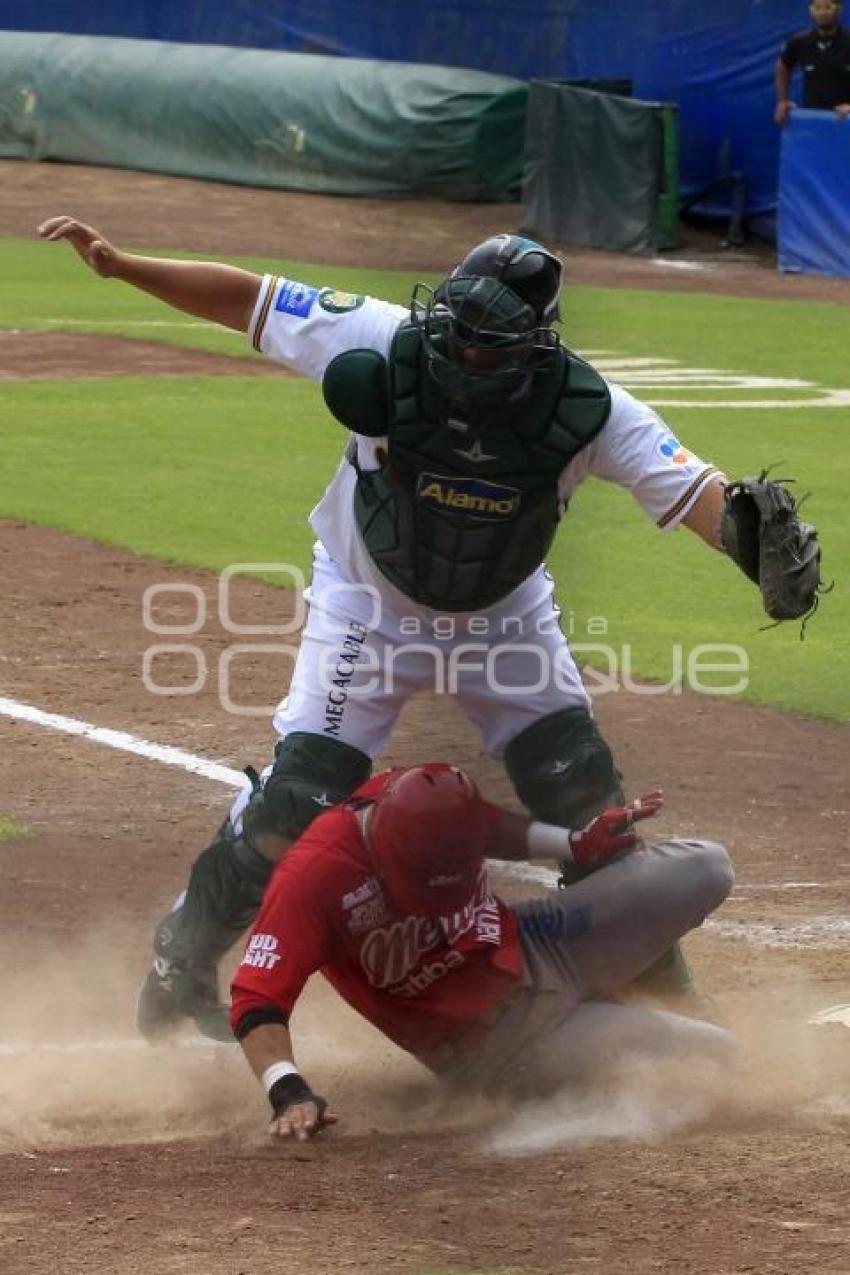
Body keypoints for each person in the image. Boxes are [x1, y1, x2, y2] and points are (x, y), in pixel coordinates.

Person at [36, 217, 813, 1042]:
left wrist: (744, 537)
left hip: (503, 620)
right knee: (297, 804)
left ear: (533, 345)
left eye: (486, 340)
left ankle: (654, 988)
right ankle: (181, 956)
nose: (462, 349)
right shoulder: (387, 340)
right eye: (457, 328)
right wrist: (122, 264)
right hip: (367, 607)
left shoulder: (587, 410)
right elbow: (250, 297)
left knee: (586, 798)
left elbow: (691, 490)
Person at [230, 763, 735, 1141]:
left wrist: (575, 842)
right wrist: (288, 1090)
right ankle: (604, 1019)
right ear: (384, 854)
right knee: (720, 1058)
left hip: (541, 937)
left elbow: (492, 825)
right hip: (501, 1044)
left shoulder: (429, 798)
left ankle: (612, 999)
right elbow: (256, 998)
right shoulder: (311, 880)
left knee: (708, 867)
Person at [775, 1, 850, 126]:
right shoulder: (799, 42)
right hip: (813, 121)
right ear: (811, 11)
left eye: (828, 7)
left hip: (846, 121)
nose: (822, 12)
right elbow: (783, 66)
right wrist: (782, 100)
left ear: (839, 10)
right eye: (817, 8)